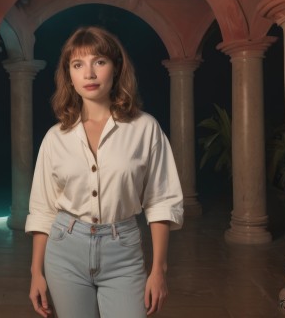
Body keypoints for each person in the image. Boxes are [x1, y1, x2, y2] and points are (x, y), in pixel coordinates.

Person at [25, 26, 184, 318]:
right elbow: (43, 209)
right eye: (78, 65)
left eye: (99, 61)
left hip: (123, 250)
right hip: (64, 251)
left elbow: (162, 201)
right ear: (69, 77)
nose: (89, 73)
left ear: (116, 67)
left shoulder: (145, 128)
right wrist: (36, 272)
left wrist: (158, 270)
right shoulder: (55, 137)